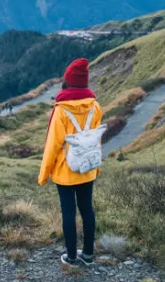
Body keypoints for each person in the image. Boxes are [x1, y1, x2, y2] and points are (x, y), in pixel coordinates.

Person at [39, 58, 102, 267]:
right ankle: (89, 255)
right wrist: (97, 166)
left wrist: (44, 174)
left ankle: (72, 257)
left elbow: (53, 145)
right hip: (87, 168)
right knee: (87, 209)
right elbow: (96, 140)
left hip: (66, 171)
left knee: (68, 211)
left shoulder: (61, 110)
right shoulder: (95, 106)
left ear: (68, 81)